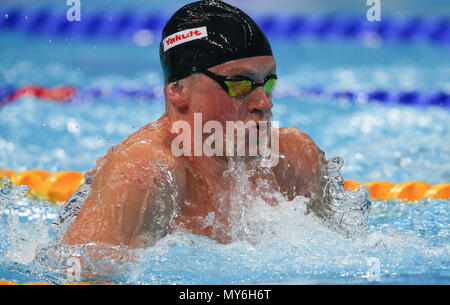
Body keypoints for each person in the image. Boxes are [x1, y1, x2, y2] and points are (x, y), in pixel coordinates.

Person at [58, 0, 327, 248]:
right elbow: (79, 275)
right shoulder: (146, 174)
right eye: (239, 84)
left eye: (268, 83)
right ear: (177, 91)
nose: (264, 103)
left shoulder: (292, 159)